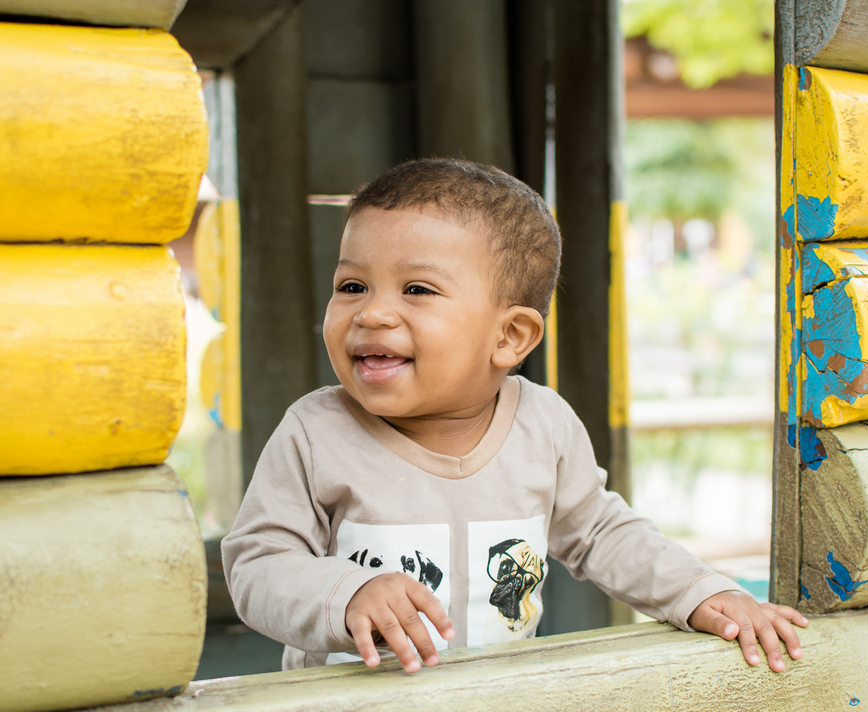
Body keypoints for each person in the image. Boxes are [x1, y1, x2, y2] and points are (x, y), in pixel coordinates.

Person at [222, 158, 807, 674]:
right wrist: (348, 593)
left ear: (510, 336)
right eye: (352, 285)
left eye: (417, 290)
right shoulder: (315, 431)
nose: (372, 312)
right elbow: (258, 566)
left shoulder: (541, 426)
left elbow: (603, 534)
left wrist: (700, 593)